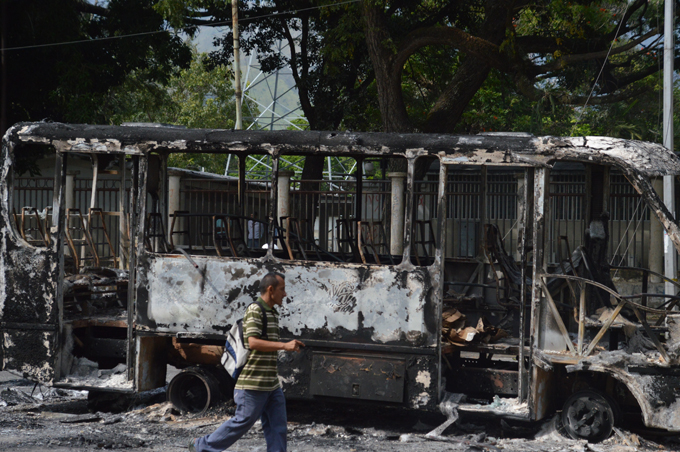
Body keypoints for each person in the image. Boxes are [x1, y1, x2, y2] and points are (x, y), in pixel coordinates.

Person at [190, 272, 304, 452]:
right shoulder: (255, 310)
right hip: (253, 384)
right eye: (282, 289)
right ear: (270, 289)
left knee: (277, 426)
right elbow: (252, 342)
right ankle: (200, 446)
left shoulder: (272, 312)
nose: (285, 294)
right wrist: (284, 346)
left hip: (271, 384)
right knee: (243, 421)